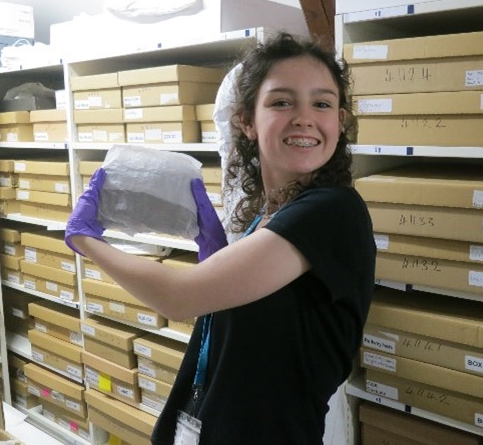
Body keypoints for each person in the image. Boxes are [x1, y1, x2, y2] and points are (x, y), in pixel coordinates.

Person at [65, 32, 377, 444]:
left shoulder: (332, 211)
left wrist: (87, 241)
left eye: (321, 103)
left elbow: (178, 297)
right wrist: (219, 259)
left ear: (338, 120)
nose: (304, 117)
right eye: (282, 101)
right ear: (246, 121)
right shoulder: (268, 215)